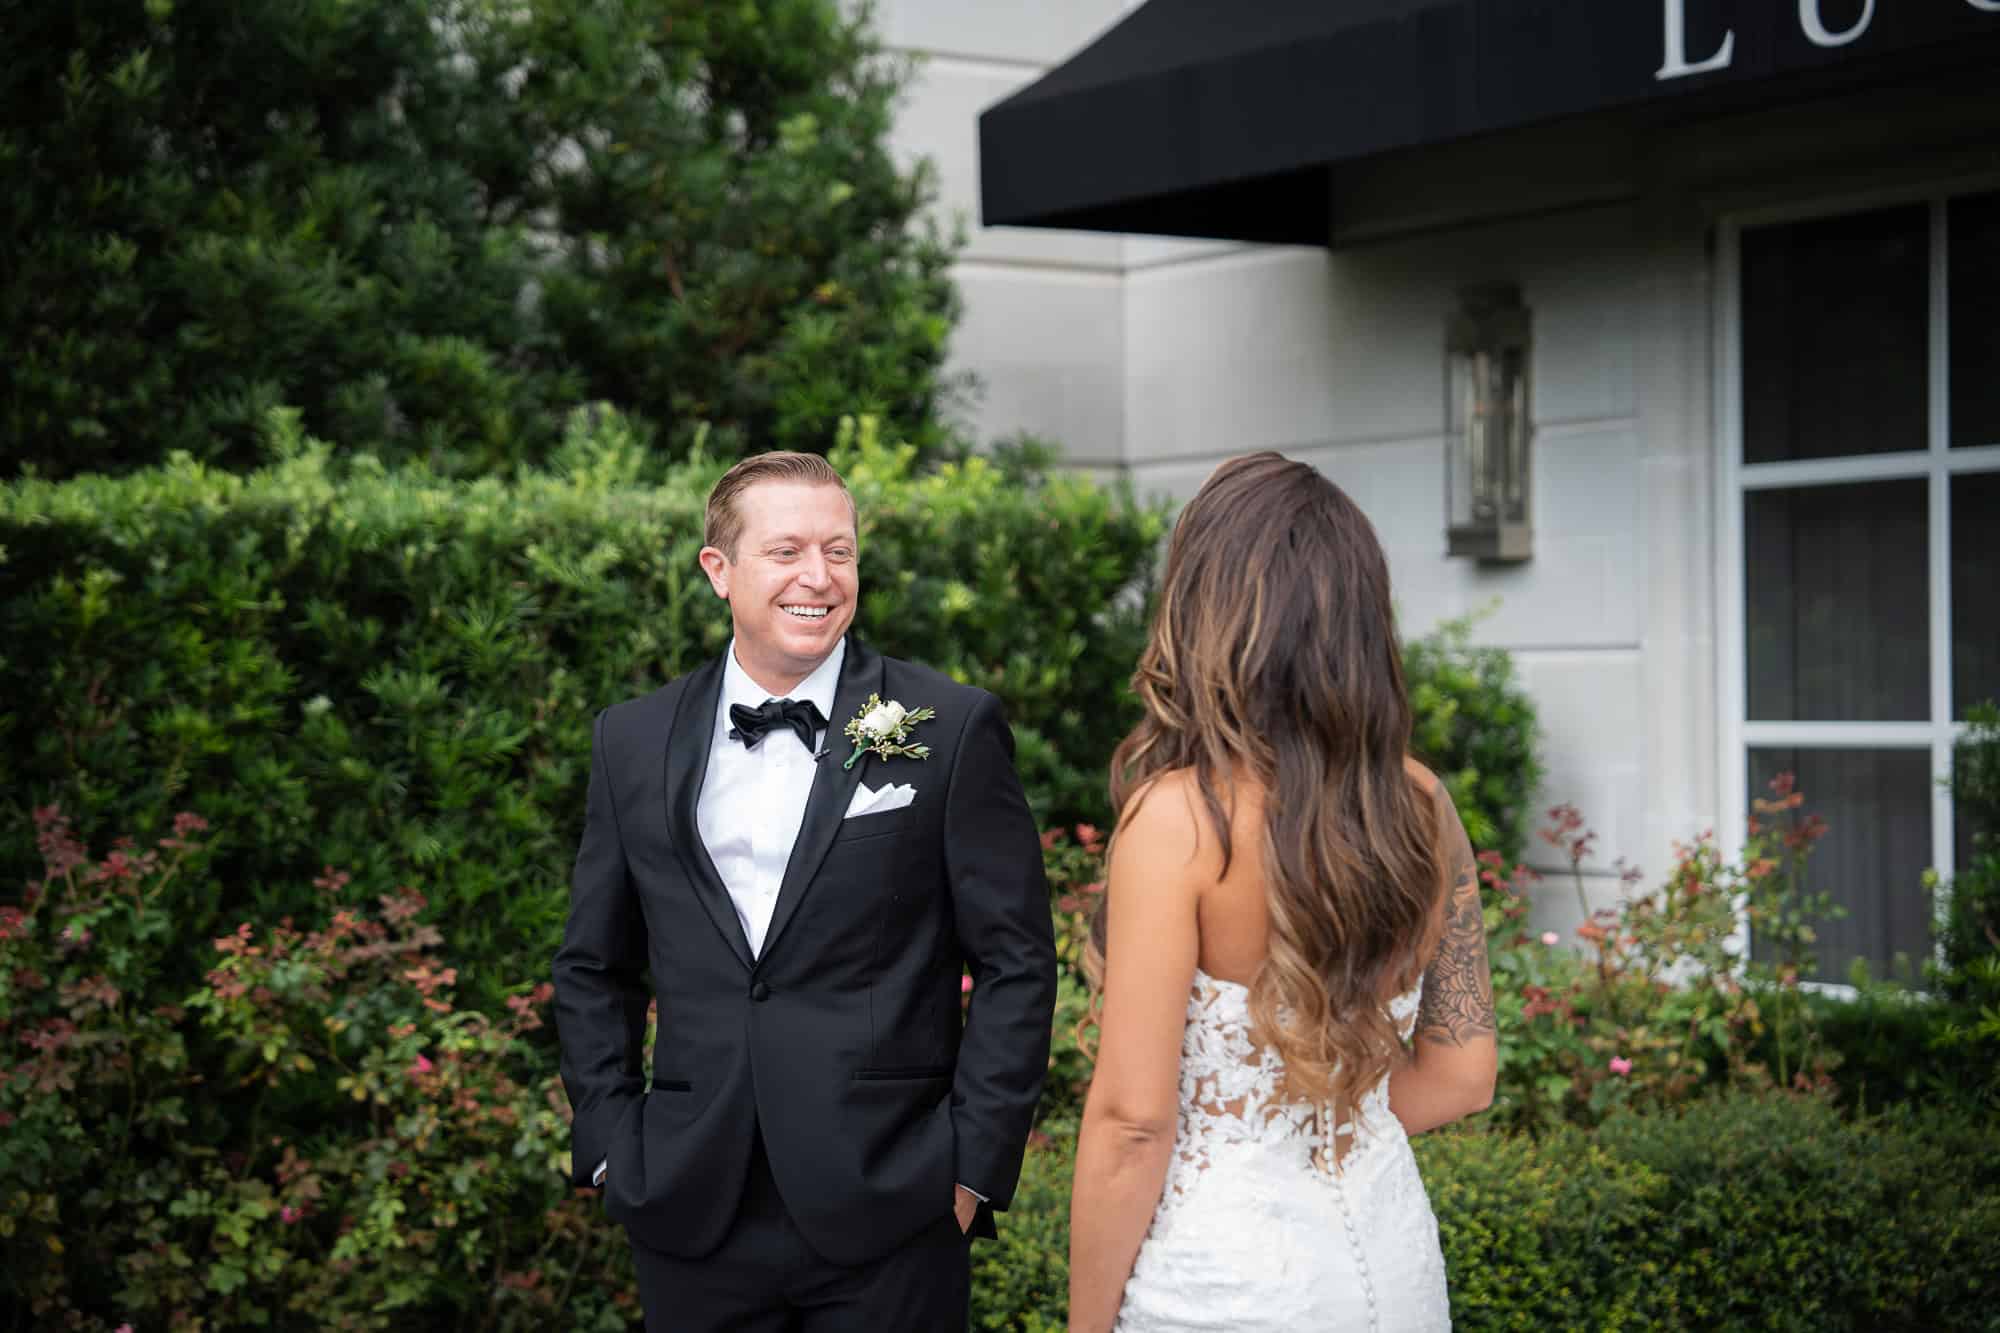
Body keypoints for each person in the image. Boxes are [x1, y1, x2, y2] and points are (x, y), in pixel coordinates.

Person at [552, 451, 1058, 1332]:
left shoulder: (949, 727)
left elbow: (1016, 960)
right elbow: (595, 963)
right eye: (787, 551)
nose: (818, 577)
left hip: (891, 1207)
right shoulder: (629, 740)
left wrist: (972, 1166)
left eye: (840, 550)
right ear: (720, 569)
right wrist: (607, 1143)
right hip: (688, 1206)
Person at [1066, 451, 1498, 1332]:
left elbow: (1132, 1125)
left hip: (1225, 1284)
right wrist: (1319, 1146)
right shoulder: (1422, 804)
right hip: (1394, 1268)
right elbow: (1463, 1076)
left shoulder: (1180, 821)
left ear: (1206, 612)